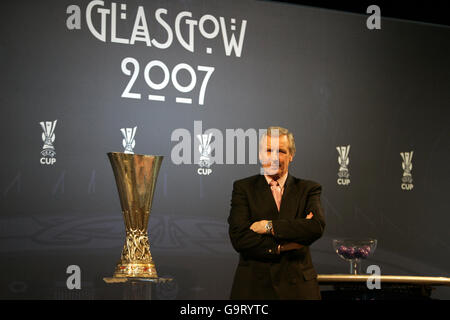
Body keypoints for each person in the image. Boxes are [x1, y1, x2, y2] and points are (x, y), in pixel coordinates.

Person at [227, 126, 325, 299]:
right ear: (260, 155)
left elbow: (315, 227)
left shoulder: (309, 189)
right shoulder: (243, 188)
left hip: (299, 289)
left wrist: (268, 226)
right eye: (268, 150)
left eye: (281, 151)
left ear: (291, 155)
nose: (274, 157)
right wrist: (282, 247)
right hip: (254, 289)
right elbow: (240, 238)